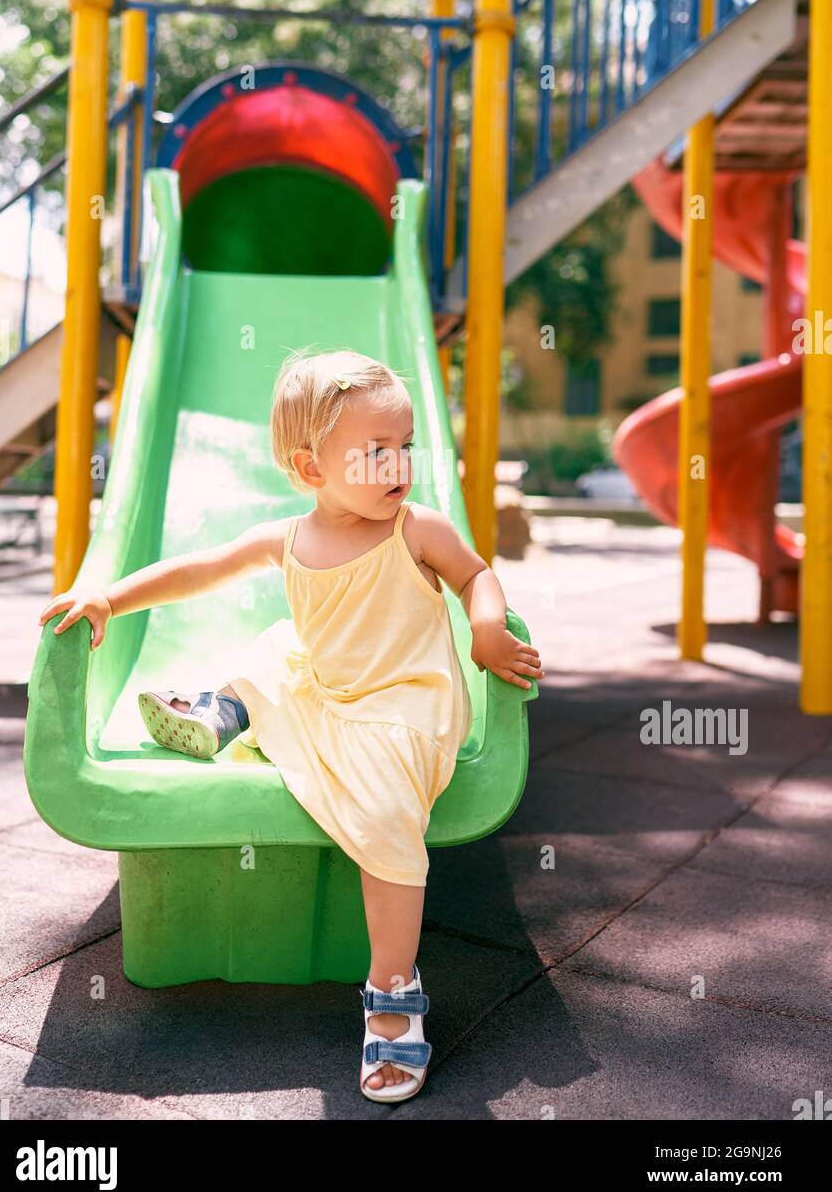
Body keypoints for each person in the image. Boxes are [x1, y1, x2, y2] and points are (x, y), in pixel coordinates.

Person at [38, 347, 545, 1103]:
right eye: (375, 452)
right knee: (281, 651)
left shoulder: (417, 530)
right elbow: (202, 567)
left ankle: (392, 991)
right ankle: (221, 716)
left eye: (404, 446)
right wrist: (110, 599)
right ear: (311, 471)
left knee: (384, 815)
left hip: (406, 710)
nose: (398, 464)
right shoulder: (290, 540)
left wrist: (485, 625)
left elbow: (477, 574)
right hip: (335, 696)